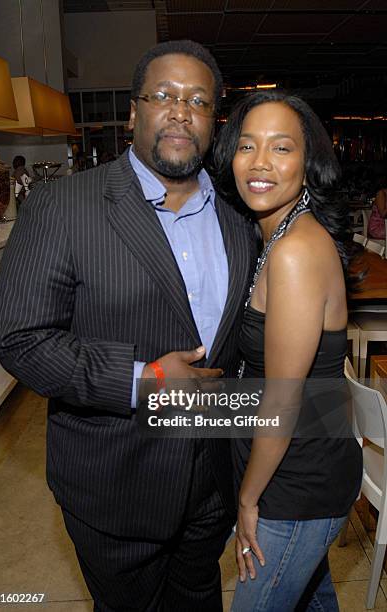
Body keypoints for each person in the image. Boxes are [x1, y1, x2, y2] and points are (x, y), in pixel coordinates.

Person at [0, 40, 256, 611]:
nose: (181, 110)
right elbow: (21, 339)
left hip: (212, 481)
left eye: (198, 100)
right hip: (116, 485)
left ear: (214, 120)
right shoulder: (63, 207)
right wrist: (145, 379)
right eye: (163, 95)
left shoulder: (242, 217)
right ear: (134, 113)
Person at [213, 90, 363, 611]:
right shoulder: (276, 238)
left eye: (281, 148)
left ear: (308, 162)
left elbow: (281, 402)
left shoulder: (297, 249)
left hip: (294, 489)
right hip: (295, 472)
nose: (259, 163)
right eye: (247, 145)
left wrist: (248, 500)